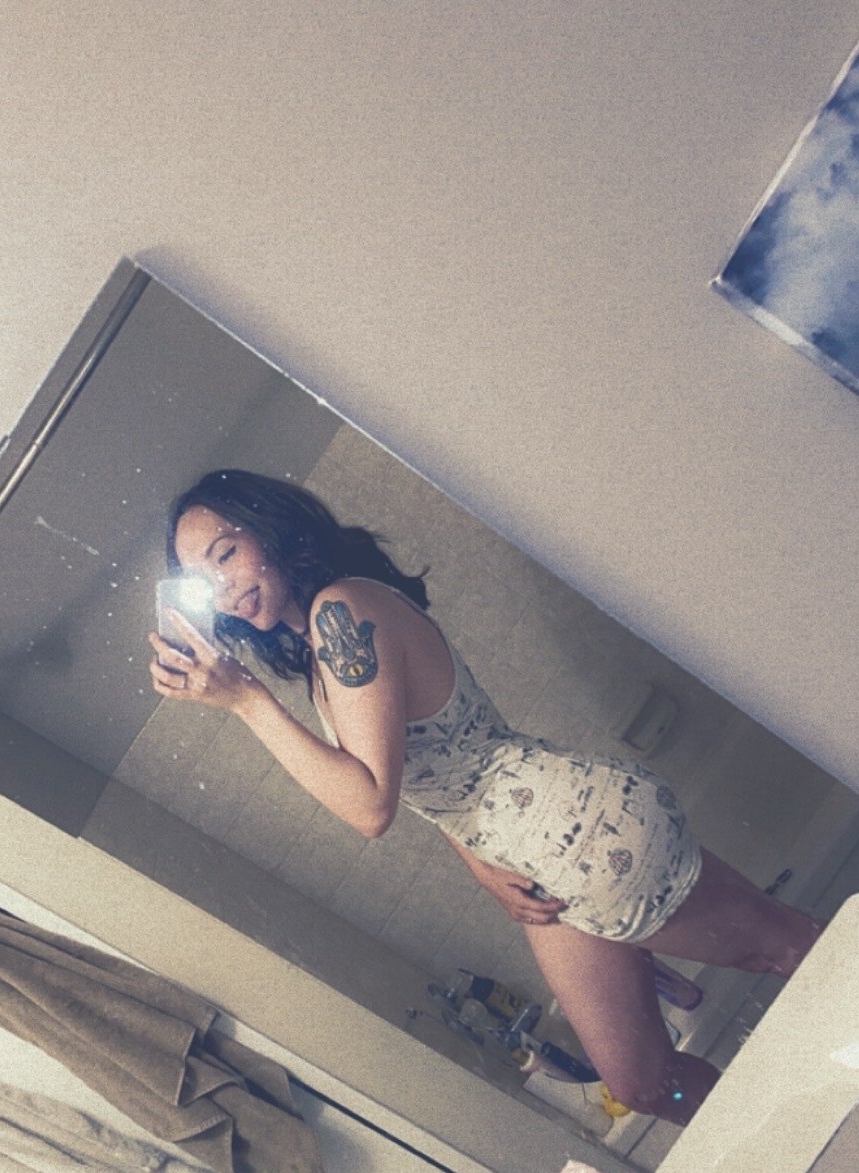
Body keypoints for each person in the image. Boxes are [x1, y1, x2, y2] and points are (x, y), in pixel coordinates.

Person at [148, 469, 822, 1127]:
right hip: (537, 863)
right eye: (202, 577)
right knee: (642, 1083)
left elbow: (371, 805)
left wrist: (246, 700)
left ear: (270, 529)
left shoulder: (340, 612)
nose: (223, 587)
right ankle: (801, 1142)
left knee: (785, 947)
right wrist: (477, 862)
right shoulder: (322, 641)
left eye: (226, 554)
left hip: (584, 834)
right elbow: (438, 763)